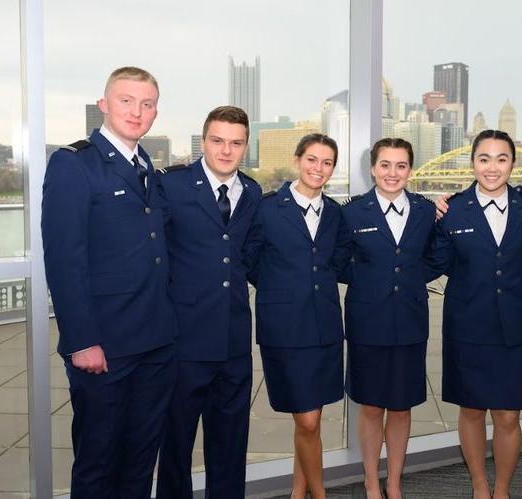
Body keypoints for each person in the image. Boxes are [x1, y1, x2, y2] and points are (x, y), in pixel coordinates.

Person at [42, 66, 177, 498]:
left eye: (147, 103)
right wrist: (81, 340)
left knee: (140, 461)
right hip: (104, 346)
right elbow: (64, 261)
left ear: (155, 112)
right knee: (98, 463)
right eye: (126, 100)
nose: (137, 112)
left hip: (155, 342)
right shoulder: (74, 164)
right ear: (104, 105)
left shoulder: (146, 166)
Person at [427, 130, 522, 499]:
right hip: (467, 325)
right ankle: (479, 484)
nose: (492, 168)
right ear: (472, 162)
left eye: (501, 159)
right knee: (472, 410)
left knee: (508, 415)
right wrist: (422, 217)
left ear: (512, 162)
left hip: (514, 324)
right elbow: (433, 261)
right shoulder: (453, 208)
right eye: (484, 159)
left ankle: (503, 489)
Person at [155, 106, 262, 499]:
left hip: (234, 343)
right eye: (218, 141)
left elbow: (248, 256)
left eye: (236, 143)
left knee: (231, 446)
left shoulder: (251, 192)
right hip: (184, 341)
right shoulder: (171, 186)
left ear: (245, 146)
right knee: (176, 445)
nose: (226, 150)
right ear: (204, 141)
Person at [243, 134, 344, 499]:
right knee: (308, 419)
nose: (318, 169)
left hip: (324, 326)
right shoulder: (267, 208)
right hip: (285, 328)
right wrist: (283, 291)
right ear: (298, 159)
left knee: (309, 421)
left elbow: (340, 260)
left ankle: (298, 491)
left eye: (327, 162)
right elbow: (250, 261)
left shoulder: (335, 213)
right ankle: (320, 494)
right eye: (312, 160)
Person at [334, 138, 435, 499]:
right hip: (367, 321)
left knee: (402, 406)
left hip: (410, 319)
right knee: (372, 405)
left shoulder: (425, 211)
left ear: (410, 169)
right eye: (385, 165)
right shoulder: (352, 213)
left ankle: (394, 481)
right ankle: (371, 481)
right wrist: (372, 281)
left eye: (401, 165)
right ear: (373, 168)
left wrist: (407, 276)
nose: (393, 173)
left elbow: (437, 256)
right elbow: (338, 261)